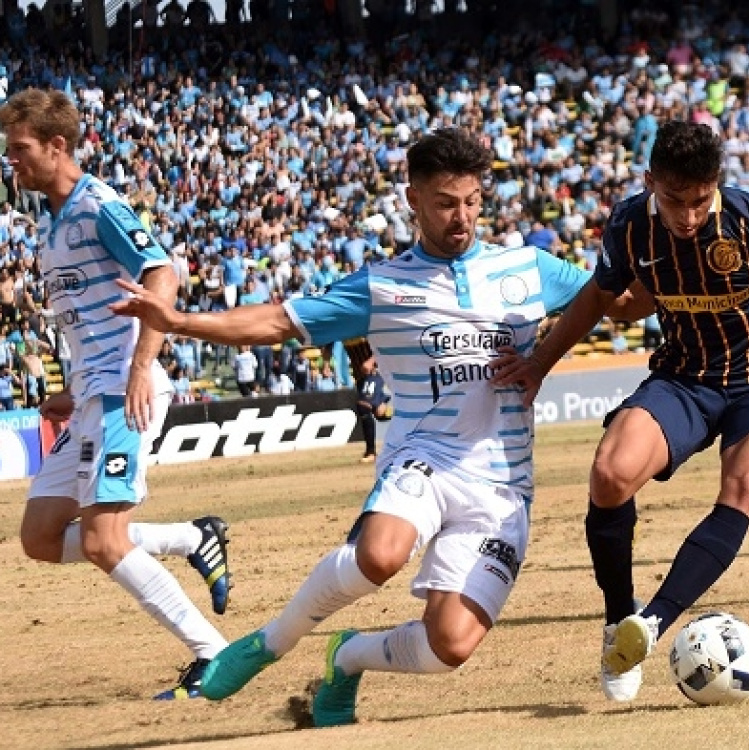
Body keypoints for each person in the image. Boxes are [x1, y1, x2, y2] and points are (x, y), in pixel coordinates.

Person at [109, 128, 634, 726]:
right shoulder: (382, 286)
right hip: (424, 458)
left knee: (450, 646)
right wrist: (178, 321)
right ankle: (270, 643)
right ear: (413, 200)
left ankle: (349, 656)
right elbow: (276, 323)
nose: (461, 217)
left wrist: (667, 257)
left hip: (501, 484)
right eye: (445, 203)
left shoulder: (528, 268)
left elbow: (618, 301)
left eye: (471, 201)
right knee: (380, 556)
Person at [492, 120, 749, 703]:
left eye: (700, 200)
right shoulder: (629, 223)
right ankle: (619, 622)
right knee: (609, 474)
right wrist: (540, 362)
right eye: (674, 200)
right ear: (650, 183)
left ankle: (653, 623)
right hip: (684, 377)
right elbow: (599, 295)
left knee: (747, 483)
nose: (689, 216)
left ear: (716, 183)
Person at [0, 89, 232, 700]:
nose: (11, 161)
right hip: (91, 394)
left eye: (20, 149)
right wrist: (73, 389)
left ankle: (214, 653)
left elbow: (163, 274)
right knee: (40, 537)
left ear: (57, 146)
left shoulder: (98, 205)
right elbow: (92, 315)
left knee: (103, 540)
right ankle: (192, 538)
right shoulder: (50, 222)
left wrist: (139, 368)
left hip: (124, 391)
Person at [356, 354, 391, 463]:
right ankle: (370, 451)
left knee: (364, 406)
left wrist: (372, 360)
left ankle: (371, 452)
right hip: (363, 373)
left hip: (376, 369)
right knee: (373, 411)